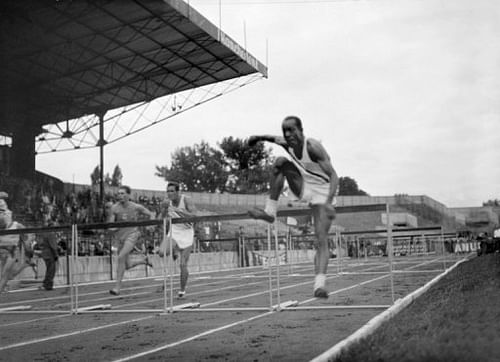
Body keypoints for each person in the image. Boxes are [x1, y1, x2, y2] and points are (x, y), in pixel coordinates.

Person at [247, 115, 339, 298]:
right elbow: (271, 138)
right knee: (280, 163)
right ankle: (270, 212)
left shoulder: (312, 147)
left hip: (324, 192)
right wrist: (256, 137)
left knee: (321, 239)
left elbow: (334, 176)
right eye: (285, 131)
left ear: (301, 131)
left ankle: (319, 285)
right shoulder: (286, 143)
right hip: (304, 186)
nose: (288, 135)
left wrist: (328, 203)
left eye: (292, 130)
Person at [107, 185, 154, 296]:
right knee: (126, 265)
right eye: (119, 193)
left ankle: (117, 288)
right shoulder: (114, 208)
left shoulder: (136, 207)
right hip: (120, 238)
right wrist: (114, 228)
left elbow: (151, 214)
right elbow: (110, 226)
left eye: (123, 193)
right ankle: (144, 261)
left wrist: (151, 224)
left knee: (120, 257)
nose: (120, 196)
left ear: (128, 195)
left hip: (132, 235)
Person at [159, 182, 196, 298]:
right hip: (174, 231)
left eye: (172, 191)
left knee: (183, 264)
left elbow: (194, 215)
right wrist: (164, 209)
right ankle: (175, 250)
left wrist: (175, 209)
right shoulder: (166, 202)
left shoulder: (186, 200)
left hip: (187, 232)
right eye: (168, 191)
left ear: (178, 192)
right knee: (162, 252)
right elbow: (161, 218)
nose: (169, 193)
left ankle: (182, 290)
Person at [0, 193, 35, 294]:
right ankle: (24, 265)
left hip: (10, 252)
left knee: (6, 274)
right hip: (2, 252)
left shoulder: (16, 225)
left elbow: (28, 236)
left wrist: (29, 248)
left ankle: (1, 288)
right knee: (6, 275)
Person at [38, 216, 59, 291]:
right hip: (50, 254)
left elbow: (40, 244)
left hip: (45, 253)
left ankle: (45, 283)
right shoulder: (51, 234)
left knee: (48, 269)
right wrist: (56, 255)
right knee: (51, 270)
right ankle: (48, 285)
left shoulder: (44, 233)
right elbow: (53, 246)